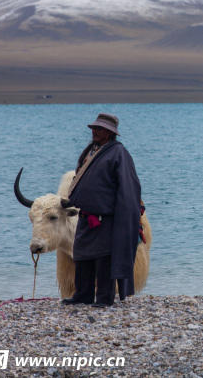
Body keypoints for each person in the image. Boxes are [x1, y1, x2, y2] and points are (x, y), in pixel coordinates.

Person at [61, 113, 142, 308]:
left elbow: (128, 187)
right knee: (81, 256)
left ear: (110, 132)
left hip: (106, 217)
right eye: (93, 128)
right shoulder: (92, 151)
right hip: (86, 216)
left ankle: (105, 298)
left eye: (99, 129)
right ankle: (83, 294)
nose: (94, 131)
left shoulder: (119, 153)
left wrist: (125, 216)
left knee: (104, 258)